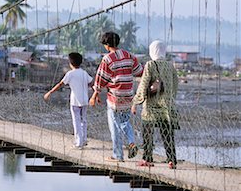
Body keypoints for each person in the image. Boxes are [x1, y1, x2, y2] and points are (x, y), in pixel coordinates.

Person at [89, 31, 143, 162]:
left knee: (114, 126)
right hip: (128, 96)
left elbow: (101, 78)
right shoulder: (129, 55)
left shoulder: (107, 59)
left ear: (107, 45)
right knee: (125, 122)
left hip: (115, 97)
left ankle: (118, 155)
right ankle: (131, 142)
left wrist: (95, 94)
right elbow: (139, 72)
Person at [132, 40, 179, 169]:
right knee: (167, 134)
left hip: (151, 108)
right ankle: (171, 160)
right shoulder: (170, 66)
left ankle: (147, 159)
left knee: (148, 133)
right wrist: (170, 98)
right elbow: (175, 83)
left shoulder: (150, 65)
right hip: (166, 107)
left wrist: (135, 102)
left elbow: (143, 84)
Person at [44, 52, 93, 149]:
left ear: (70, 63)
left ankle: (79, 142)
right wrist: (96, 95)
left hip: (75, 101)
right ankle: (83, 140)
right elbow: (92, 83)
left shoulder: (70, 74)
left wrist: (50, 92)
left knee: (76, 121)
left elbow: (60, 84)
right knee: (83, 120)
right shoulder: (84, 73)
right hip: (84, 100)